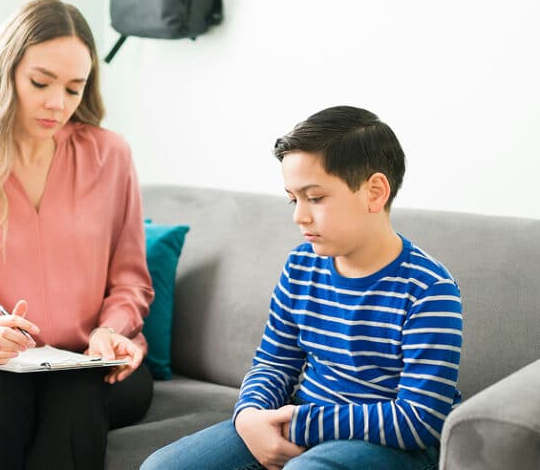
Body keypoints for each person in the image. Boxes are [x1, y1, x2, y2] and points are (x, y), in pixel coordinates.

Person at [141, 106, 463, 470]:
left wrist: (296, 423)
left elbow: (418, 421)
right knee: (162, 467)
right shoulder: (300, 266)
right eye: (293, 199)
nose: (299, 216)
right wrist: (249, 417)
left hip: (391, 447)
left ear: (374, 192)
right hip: (301, 419)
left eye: (316, 197)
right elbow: (274, 362)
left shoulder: (429, 290)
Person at [0, 0, 155, 470]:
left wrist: (110, 332)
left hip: (95, 363)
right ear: (5, 74)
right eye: (41, 82)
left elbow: (131, 282)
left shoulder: (110, 156)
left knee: (72, 394)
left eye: (73, 88)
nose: (57, 104)